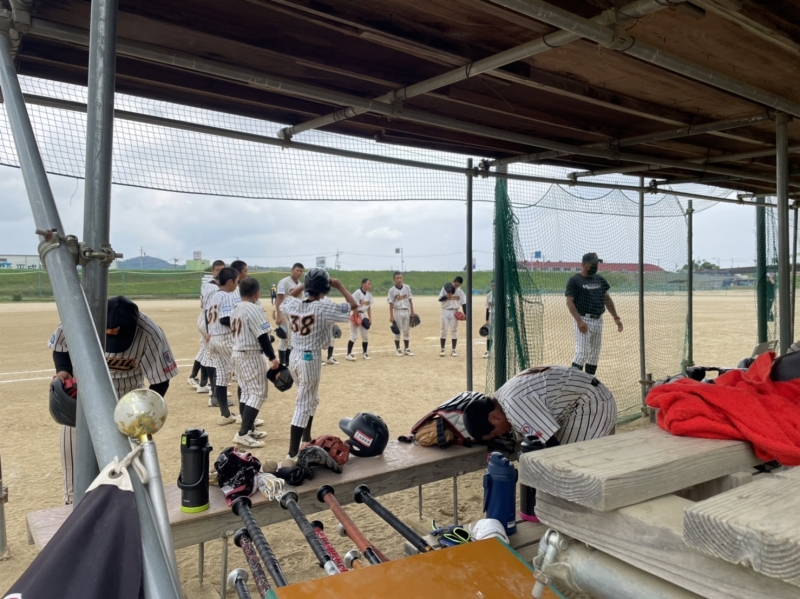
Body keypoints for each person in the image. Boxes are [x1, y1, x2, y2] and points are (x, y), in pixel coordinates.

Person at [48, 296, 178, 504]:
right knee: (75, 481)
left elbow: (160, 381)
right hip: (82, 404)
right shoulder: (79, 319)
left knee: (132, 479)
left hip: (127, 407)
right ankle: (75, 509)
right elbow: (61, 345)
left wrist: (142, 417)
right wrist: (63, 371)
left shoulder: (150, 333)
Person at [463, 365, 617, 521]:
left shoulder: (514, 405)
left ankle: (584, 521)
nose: (501, 435)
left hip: (591, 403)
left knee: (572, 469)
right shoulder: (502, 397)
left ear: (494, 418)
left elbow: (551, 449)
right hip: (577, 402)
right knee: (566, 473)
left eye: (496, 433)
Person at [280, 269, 356, 461]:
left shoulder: (294, 304)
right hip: (309, 358)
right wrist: (340, 286)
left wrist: (303, 285)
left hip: (293, 356)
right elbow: (353, 306)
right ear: (325, 288)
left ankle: (306, 438)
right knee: (303, 404)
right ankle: (292, 455)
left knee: (312, 399)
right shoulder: (323, 308)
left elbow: (286, 299)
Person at [230, 277, 280, 448]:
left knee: (246, 392)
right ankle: (242, 434)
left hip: (238, 353)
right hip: (250, 354)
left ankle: (249, 428)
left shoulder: (236, 308)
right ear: (257, 293)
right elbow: (263, 336)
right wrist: (272, 357)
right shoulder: (254, 308)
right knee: (258, 393)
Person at [565, 253, 623, 375]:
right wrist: (579, 321)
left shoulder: (599, 279)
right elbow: (569, 302)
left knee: (594, 355)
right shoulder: (574, 281)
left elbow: (607, 299)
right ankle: (573, 381)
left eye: (596, 264)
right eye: (592, 264)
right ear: (583, 264)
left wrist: (616, 317)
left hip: (598, 320)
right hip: (583, 319)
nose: (595, 266)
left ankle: (589, 380)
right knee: (582, 353)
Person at [206, 267, 240, 425]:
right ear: (230, 281)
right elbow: (225, 319)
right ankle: (245, 417)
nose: (237, 284)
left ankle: (225, 415)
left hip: (214, 338)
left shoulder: (214, 296)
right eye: (237, 281)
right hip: (225, 339)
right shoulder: (226, 296)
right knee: (242, 375)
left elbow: (207, 316)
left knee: (222, 376)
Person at [188, 259, 225, 392]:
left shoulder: (209, 286)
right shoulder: (213, 288)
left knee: (205, 351)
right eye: (217, 270)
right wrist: (209, 329)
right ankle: (211, 388)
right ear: (213, 271)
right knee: (210, 353)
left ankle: (203, 384)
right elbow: (209, 310)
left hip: (206, 320)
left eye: (222, 270)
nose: (220, 273)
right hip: (208, 321)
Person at [275, 263, 304, 366]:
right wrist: (278, 315)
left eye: (301, 271)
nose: (299, 272)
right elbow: (279, 299)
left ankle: (288, 362)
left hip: (294, 314)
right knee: (284, 337)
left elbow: (301, 301)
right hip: (284, 312)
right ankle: (282, 363)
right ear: (292, 270)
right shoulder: (284, 282)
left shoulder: (300, 285)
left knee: (291, 338)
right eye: (297, 270)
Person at [387, 271, 416, 357]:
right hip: (397, 311)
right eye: (397, 278)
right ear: (394, 279)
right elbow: (391, 303)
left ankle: (406, 349)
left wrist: (412, 312)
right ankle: (398, 349)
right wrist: (391, 316)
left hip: (406, 310)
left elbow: (410, 300)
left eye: (400, 278)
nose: (399, 280)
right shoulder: (391, 290)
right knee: (397, 331)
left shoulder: (407, 287)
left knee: (406, 330)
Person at [438, 276, 467, 357]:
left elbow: (464, 303)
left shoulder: (460, 292)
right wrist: (446, 296)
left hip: (454, 311)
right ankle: (442, 349)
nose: (456, 286)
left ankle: (453, 350)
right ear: (453, 282)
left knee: (454, 330)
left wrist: (466, 314)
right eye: (456, 284)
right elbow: (439, 299)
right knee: (443, 329)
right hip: (445, 310)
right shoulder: (445, 288)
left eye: (458, 285)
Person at [347, 278, 374, 361]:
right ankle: (348, 354)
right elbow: (354, 306)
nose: (370, 285)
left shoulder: (369, 295)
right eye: (368, 284)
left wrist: (370, 318)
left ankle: (365, 353)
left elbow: (368, 307)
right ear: (363, 284)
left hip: (363, 314)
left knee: (365, 335)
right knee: (354, 335)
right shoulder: (357, 293)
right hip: (355, 313)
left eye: (370, 284)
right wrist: (355, 317)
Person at [484, 279, 494, 359]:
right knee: (489, 334)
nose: (493, 287)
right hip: (491, 315)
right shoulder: (489, 295)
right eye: (492, 286)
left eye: (494, 285)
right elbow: (487, 308)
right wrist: (487, 319)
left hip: (500, 316)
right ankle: (488, 351)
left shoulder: (503, 294)